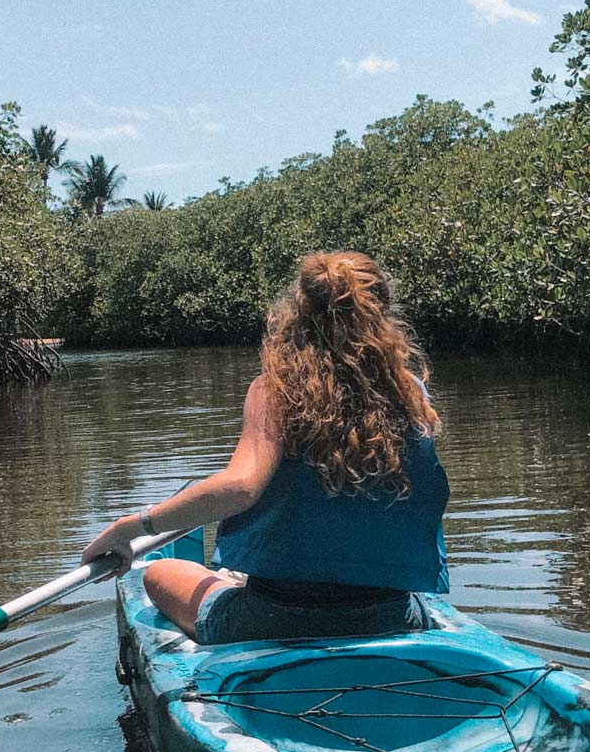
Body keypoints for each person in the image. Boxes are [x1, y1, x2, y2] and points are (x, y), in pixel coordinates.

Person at [81, 250, 450, 644]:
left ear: (298, 313)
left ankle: (231, 586)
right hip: (389, 616)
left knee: (156, 574)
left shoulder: (276, 392)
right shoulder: (411, 393)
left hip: (272, 619)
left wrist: (131, 527)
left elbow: (241, 488)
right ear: (383, 317)